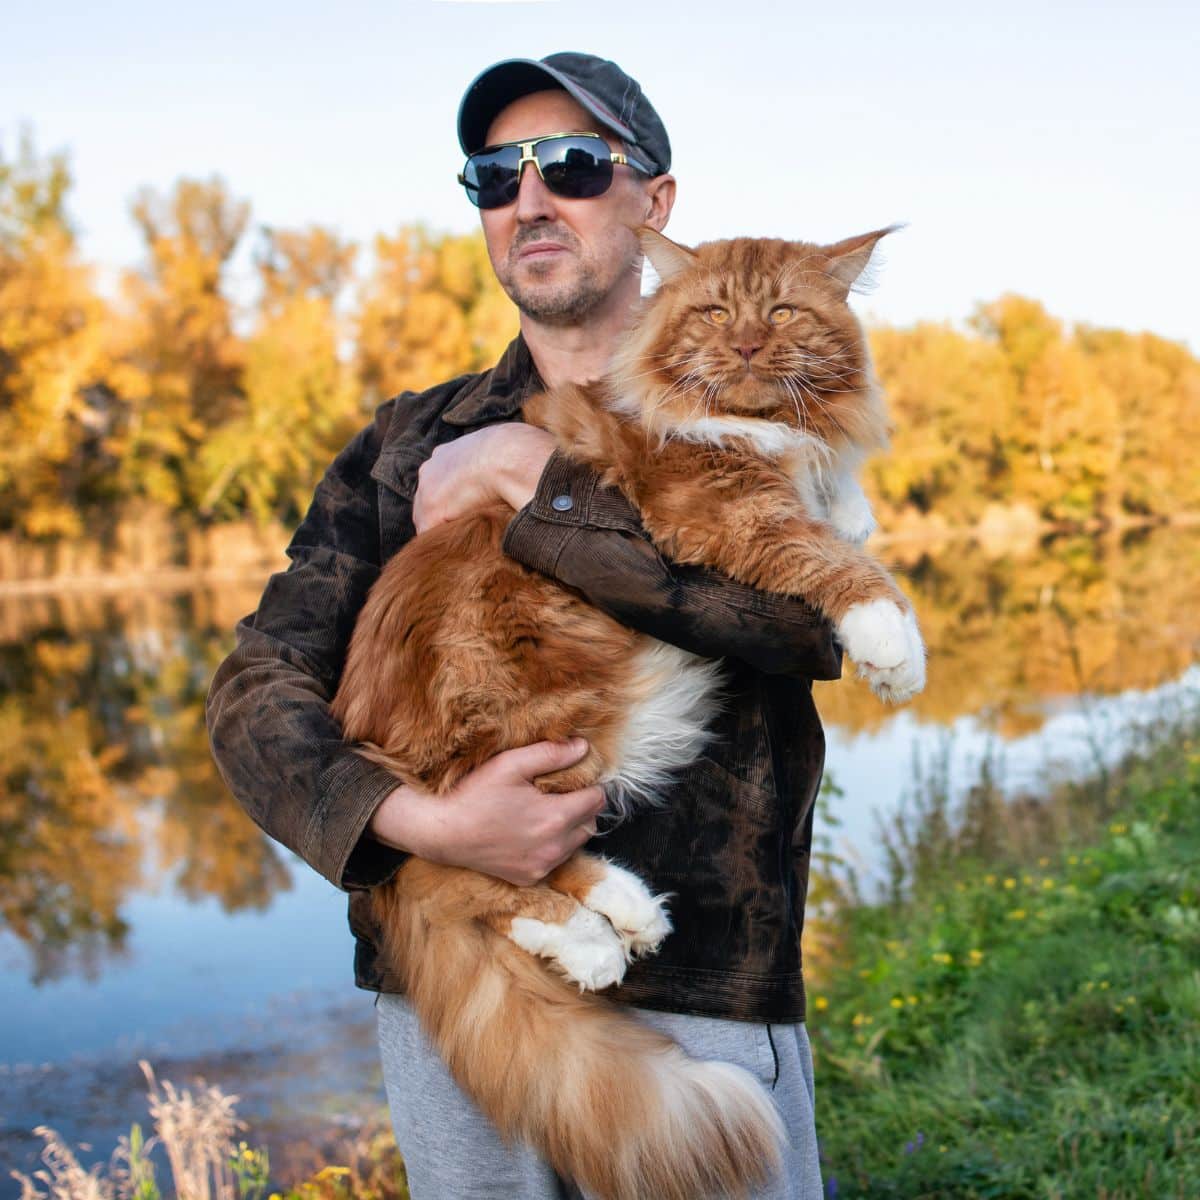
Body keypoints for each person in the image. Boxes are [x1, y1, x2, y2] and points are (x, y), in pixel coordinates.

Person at [206, 52, 840, 1200]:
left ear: (655, 204)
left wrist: (543, 482)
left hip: (705, 982)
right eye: (496, 177)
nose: (531, 200)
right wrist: (426, 823)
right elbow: (255, 692)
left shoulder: (755, 396)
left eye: (573, 165)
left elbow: (799, 623)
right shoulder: (407, 442)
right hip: (459, 991)